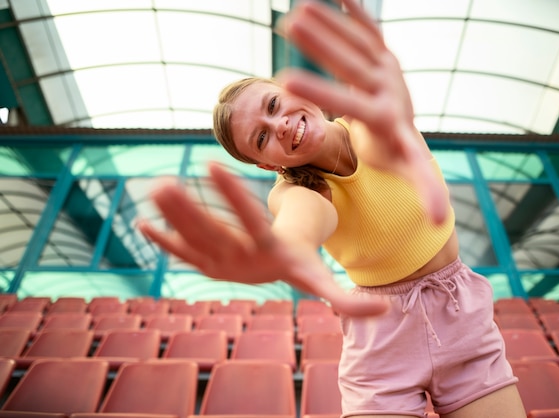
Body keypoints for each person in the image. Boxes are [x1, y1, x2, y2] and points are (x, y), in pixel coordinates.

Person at [138, 1, 527, 417]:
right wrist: (284, 251)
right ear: (268, 164)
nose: (280, 125)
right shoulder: (293, 191)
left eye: (272, 106)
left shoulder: (376, 120)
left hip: (460, 315)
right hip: (380, 339)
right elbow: (299, 226)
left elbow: (383, 142)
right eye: (262, 138)